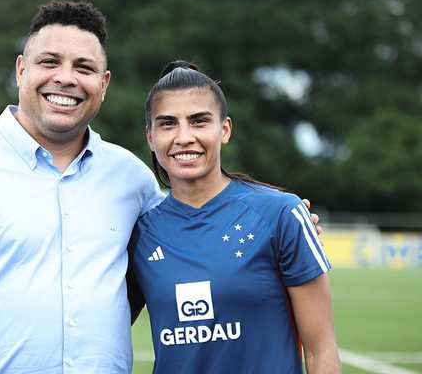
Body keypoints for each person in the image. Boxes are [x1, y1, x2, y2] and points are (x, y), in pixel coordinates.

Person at [0, 0, 322, 374]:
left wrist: (284, 222)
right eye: (50, 62)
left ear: (102, 85)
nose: (66, 77)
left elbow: (189, 240)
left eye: (83, 67)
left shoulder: (134, 180)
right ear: (21, 69)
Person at [126, 60, 340, 373]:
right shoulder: (140, 234)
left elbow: (321, 350)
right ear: (150, 137)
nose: (184, 136)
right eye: (168, 123)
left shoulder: (281, 215)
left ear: (224, 129)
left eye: (199, 121)